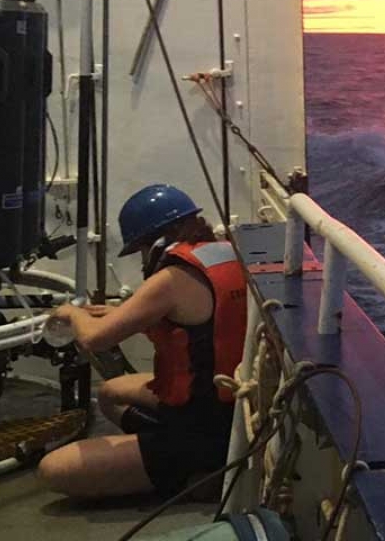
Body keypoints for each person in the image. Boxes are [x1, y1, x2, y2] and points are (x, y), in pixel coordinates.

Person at [38, 184, 247, 498]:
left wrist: (70, 313)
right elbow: (200, 327)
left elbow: (93, 339)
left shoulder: (170, 279)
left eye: (141, 249)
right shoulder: (225, 254)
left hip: (202, 426)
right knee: (110, 394)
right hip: (229, 407)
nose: (142, 260)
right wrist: (122, 314)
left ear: (158, 241)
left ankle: (191, 472)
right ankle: (165, 458)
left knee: (54, 469)